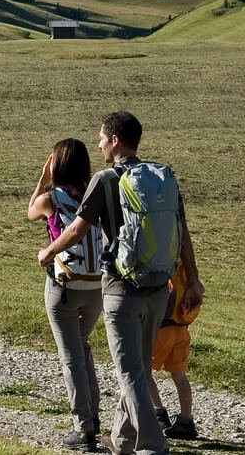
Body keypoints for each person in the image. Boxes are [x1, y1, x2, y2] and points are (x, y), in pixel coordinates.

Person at [39, 111, 203, 455]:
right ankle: (123, 439)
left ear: (115, 140)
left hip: (121, 290)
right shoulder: (162, 178)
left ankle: (153, 446)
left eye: (101, 138)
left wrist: (48, 252)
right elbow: (183, 232)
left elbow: (77, 230)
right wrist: (193, 281)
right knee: (140, 367)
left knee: (129, 372)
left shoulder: (105, 179)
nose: (98, 143)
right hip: (159, 289)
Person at [28, 138, 107, 451]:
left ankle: (84, 427)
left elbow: (30, 211)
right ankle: (95, 418)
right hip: (95, 285)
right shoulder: (95, 195)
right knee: (82, 346)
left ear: (56, 164)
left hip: (64, 285)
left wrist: (43, 177)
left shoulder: (51, 198)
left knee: (71, 355)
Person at [147, 260, 201, 440]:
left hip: (163, 328)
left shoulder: (166, 266)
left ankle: (158, 413)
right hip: (182, 329)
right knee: (179, 376)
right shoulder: (188, 273)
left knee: (143, 371)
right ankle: (186, 420)